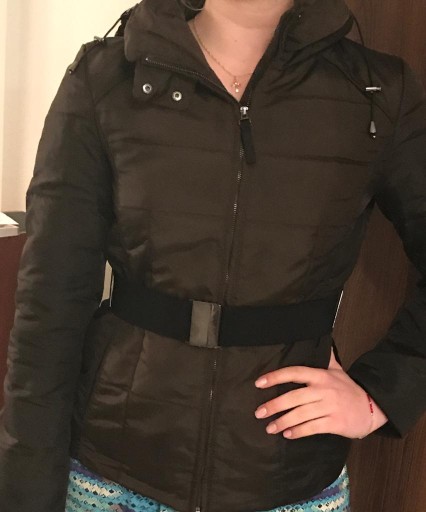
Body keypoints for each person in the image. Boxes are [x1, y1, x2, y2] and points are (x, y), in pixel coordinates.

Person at [0, 0, 425, 511]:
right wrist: (25, 492)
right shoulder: (104, 79)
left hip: (291, 481)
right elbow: (49, 305)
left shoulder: (380, 93)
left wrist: (381, 395)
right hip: (112, 475)